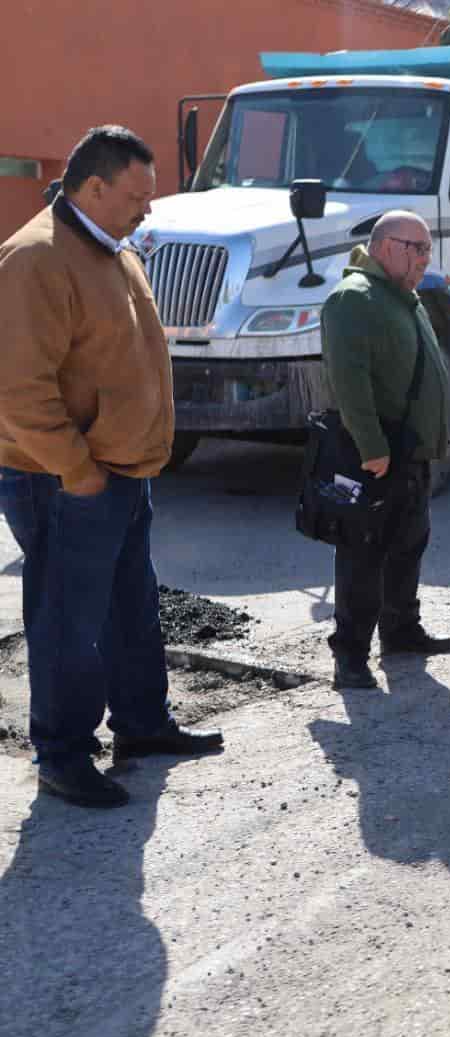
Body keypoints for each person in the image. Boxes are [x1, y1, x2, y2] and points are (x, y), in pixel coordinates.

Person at [0, 126, 223, 808]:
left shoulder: (111, 249)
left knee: (131, 609)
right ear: (92, 187)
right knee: (69, 621)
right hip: (64, 478)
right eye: (137, 195)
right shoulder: (35, 259)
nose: (148, 209)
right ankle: (62, 756)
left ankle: (142, 725)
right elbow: (16, 388)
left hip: (122, 471)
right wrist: (76, 470)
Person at [320, 210, 450, 690]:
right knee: (363, 555)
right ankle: (350, 655)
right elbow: (348, 381)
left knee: (408, 542)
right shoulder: (353, 299)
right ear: (383, 247)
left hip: (410, 451)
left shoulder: (404, 296)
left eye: (427, 249)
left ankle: (401, 630)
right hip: (378, 453)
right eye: (415, 248)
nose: (424, 258)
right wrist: (371, 448)